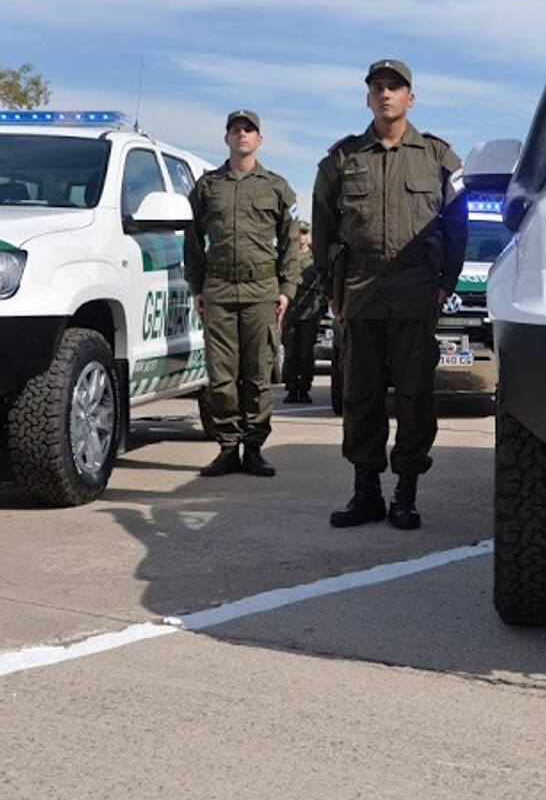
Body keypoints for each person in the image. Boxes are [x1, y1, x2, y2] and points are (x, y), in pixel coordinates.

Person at [312, 58, 466, 530]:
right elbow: (323, 229)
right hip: (361, 292)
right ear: (368, 98)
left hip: (417, 291)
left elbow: (458, 225)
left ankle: (406, 493)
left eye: (394, 88)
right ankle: (367, 493)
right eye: (377, 88)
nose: (385, 95)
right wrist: (332, 290)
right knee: (361, 395)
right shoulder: (343, 159)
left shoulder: (439, 158)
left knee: (416, 395)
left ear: (410, 98)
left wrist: (446, 282)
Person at [184, 110, 298, 478]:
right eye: (235, 130)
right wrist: (197, 287)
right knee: (220, 375)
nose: (242, 135)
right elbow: (192, 241)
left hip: (262, 291)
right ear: (227, 138)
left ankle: (254, 448)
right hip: (218, 289)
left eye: (249, 130)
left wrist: (286, 289)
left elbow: (290, 243)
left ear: (259, 139)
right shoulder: (207, 186)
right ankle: (228, 448)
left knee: (258, 373)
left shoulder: (276, 187)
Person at [280, 220, 326, 404]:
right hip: (291, 311)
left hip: (310, 312)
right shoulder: (286, 256)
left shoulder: (316, 257)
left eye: (305, 233)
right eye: (299, 233)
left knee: (306, 353)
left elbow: (324, 280)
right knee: (291, 352)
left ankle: (304, 388)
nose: (302, 237)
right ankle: (291, 388)